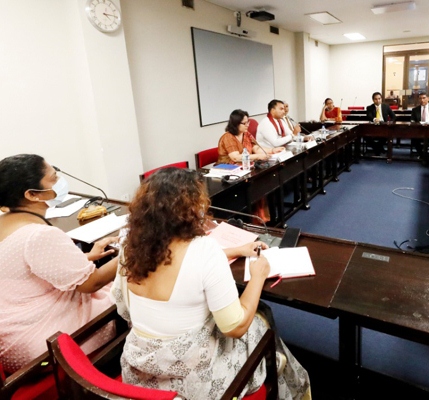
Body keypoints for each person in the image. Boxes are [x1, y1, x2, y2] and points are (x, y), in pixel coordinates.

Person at [112, 168, 310, 400]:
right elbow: (234, 327)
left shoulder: (131, 247)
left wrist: (235, 250)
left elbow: (125, 308)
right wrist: (258, 276)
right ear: (192, 209)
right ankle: (287, 380)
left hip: (140, 376)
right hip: (192, 383)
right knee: (259, 321)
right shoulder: (205, 250)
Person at [0, 154, 117, 374]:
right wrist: (132, 254)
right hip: (41, 344)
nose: (60, 182)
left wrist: (86, 257)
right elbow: (91, 284)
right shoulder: (38, 235)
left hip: (10, 335)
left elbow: (28, 270)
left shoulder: (5, 222)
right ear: (32, 194)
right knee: (124, 293)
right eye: (54, 178)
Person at [218, 109, 285, 164]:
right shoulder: (228, 137)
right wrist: (258, 156)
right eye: (244, 123)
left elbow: (256, 149)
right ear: (235, 124)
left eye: (248, 122)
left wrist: (272, 150)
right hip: (229, 168)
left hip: (246, 165)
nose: (247, 125)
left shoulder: (246, 134)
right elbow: (236, 158)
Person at [410, 92, 429, 157]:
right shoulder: (415, 110)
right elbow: (412, 120)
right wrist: (417, 124)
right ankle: (422, 155)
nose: (422, 100)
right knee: (414, 139)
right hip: (420, 130)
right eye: (420, 98)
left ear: (428, 99)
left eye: (424, 98)